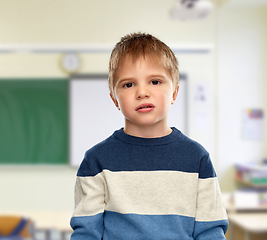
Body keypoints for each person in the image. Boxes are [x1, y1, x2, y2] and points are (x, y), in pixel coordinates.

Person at [70, 32, 228, 239]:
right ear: (115, 99)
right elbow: (86, 233)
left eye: (155, 81)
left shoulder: (196, 158)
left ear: (174, 93)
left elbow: (210, 231)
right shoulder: (97, 160)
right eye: (128, 84)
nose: (142, 92)